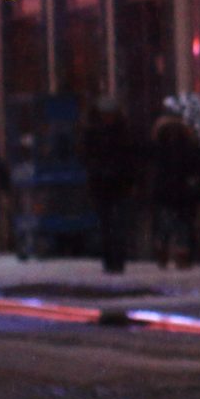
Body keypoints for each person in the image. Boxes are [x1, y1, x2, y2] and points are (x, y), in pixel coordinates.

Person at [82, 101, 144, 274]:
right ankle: (111, 260)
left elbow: (131, 159)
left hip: (117, 185)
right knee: (108, 225)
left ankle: (117, 260)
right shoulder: (96, 134)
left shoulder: (122, 134)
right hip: (104, 185)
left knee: (117, 225)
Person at [150, 111, 200, 268]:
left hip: (166, 190)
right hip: (181, 191)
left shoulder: (159, 144)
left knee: (166, 222)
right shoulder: (187, 145)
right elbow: (194, 166)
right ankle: (181, 252)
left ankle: (164, 248)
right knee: (182, 223)